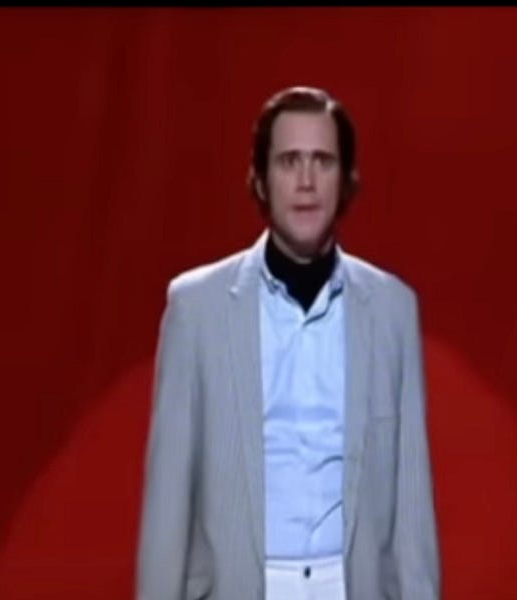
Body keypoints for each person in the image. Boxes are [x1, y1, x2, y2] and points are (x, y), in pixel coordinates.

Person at [136, 85, 439, 600]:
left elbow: (412, 510)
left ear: (346, 180)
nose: (305, 181)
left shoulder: (391, 309)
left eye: (322, 161)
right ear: (260, 179)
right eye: (288, 161)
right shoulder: (197, 309)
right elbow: (168, 501)